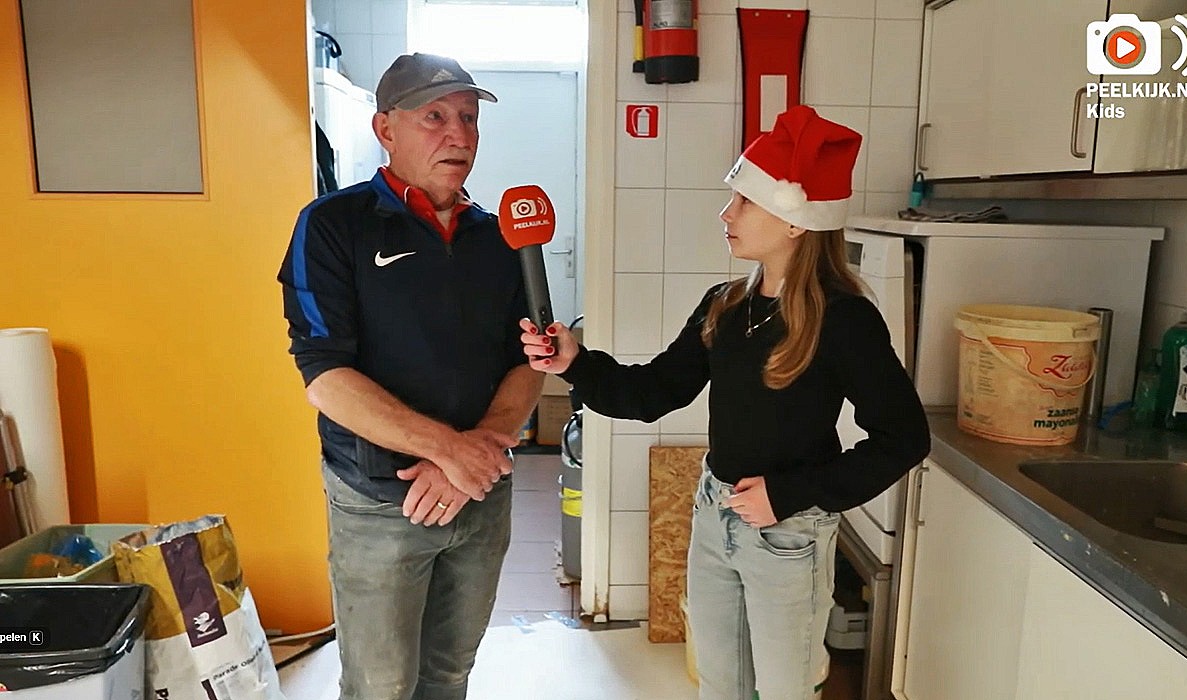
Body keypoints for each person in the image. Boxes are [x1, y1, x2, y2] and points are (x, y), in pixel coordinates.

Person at [520, 105, 930, 700]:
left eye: (744, 200)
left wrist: (788, 494)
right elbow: (652, 392)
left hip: (788, 533)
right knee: (719, 685)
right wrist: (575, 363)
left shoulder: (844, 320)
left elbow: (905, 438)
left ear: (794, 220)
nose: (726, 213)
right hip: (715, 514)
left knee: (785, 691)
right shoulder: (725, 305)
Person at [278, 53, 544, 700]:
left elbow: (528, 361)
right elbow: (325, 375)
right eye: (435, 117)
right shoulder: (333, 226)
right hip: (380, 500)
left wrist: (472, 456)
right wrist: (450, 451)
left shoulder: (500, 238)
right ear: (385, 128)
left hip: (481, 494)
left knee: (449, 674)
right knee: (382, 685)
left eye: (469, 118)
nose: (459, 134)